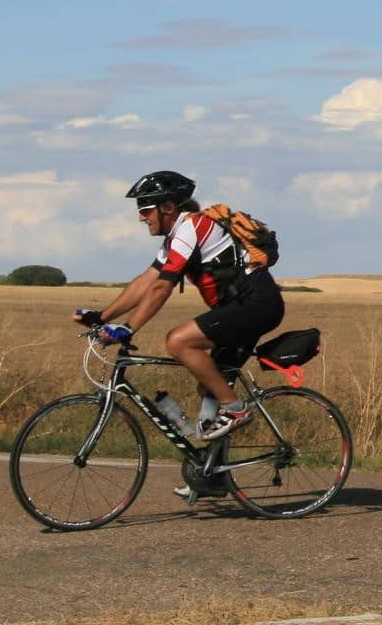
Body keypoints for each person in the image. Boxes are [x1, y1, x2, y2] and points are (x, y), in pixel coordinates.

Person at [71, 171, 283, 445]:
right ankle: (211, 473)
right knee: (209, 385)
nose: (141, 217)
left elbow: (162, 288)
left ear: (168, 207)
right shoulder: (176, 237)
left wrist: (127, 328)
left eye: (145, 209)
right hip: (243, 306)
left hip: (256, 304)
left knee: (178, 341)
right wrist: (100, 316)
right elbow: (146, 281)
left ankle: (236, 410)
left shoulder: (191, 228)